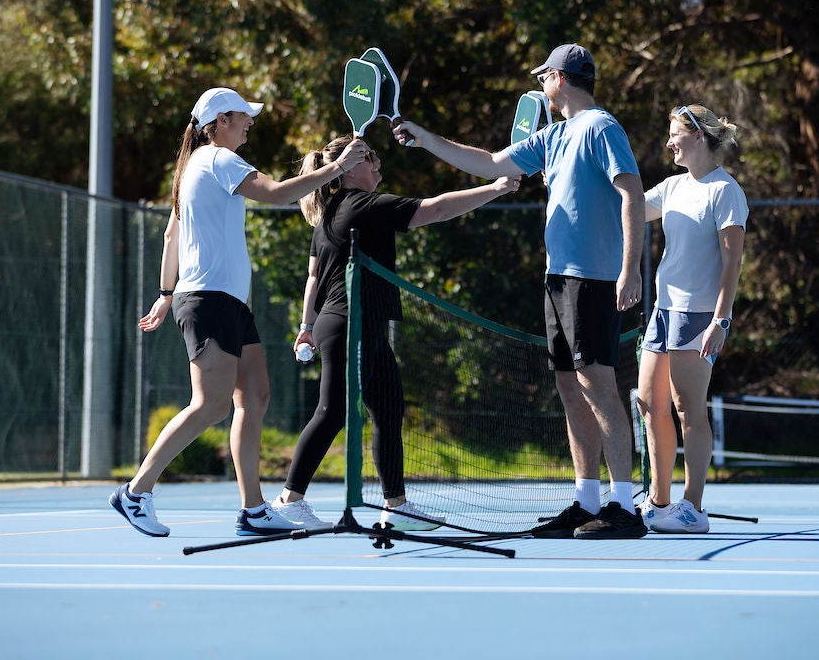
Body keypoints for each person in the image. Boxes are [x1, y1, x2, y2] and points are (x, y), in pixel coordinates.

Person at [392, 44, 647, 539]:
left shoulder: (600, 127)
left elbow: (631, 191)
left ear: (557, 78)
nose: (541, 87)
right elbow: (489, 163)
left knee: (597, 385)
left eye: (543, 78)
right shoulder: (553, 136)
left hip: (593, 278)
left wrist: (629, 270)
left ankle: (623, 506)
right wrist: (424, 138)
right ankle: (586, 499)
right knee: (571, 388)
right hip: (557, 279)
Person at [111, 86, 370, 538]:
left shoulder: (192, 168)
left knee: (255, 395)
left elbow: (173, 236)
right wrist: (338, 168)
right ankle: (135, 492)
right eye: (243, 115)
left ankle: (252, 509)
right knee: (209, 404)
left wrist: (165, 293)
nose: (251, 120)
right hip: (209, 300)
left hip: (222, 301)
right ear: (220, 121)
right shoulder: (217, 159)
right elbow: (275, 193)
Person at [271, 134, 520, 531]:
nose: (378, 169)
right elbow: (434, 209)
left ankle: (395, 506)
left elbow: (312, 277)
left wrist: (306, 327)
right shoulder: (363, 206)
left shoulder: (330, 211)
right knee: (332, 411)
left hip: (359, 323)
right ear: (351, 166)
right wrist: (494, 187)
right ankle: (289, 499)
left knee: (388, 409)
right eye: (372, 161)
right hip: (350, 321)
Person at [636, 104, 747, 534]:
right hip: (663, 312)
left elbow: (732, 261)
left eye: (674, 134)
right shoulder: (671, 187)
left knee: (688, 411)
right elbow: (626, 209)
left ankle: (693, 507)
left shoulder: (725, 191)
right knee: (649, 405)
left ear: (698, 137)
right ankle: (658, 503)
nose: (668, 142)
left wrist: (721, 320)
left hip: (699, 314)